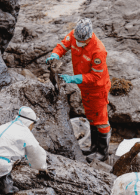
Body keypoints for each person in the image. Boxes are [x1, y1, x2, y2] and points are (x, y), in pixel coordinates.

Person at [46, 18, 112, 163]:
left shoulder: (98, 50)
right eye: (77, 39)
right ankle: (94, 148)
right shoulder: (75, 36)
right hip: (85, 87)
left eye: (83, 41)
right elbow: (63, 45)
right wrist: (55, 55)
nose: (79, 42)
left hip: (97, 88)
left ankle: (103, 152)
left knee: (101, 120)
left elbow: (95, 76)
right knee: (91, 117)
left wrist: (73, 79)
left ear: (89, 37)